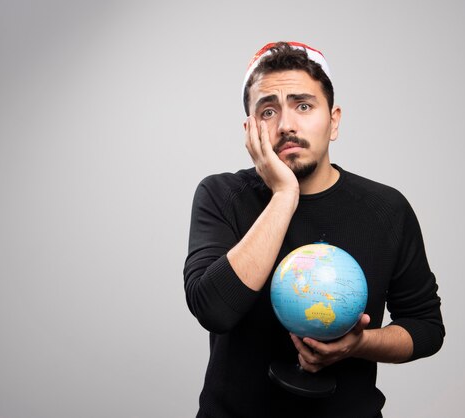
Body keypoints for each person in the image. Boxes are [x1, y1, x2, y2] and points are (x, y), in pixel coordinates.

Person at [183, 41, 445, 418]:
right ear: (249, 129)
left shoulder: (387, 209)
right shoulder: (221, 195)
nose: (287, 125)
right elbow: (214, 310)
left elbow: (426, 328)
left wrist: (358, 345)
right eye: (268, 111)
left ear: (334, 121)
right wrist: (285, 194)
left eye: (303, 105)